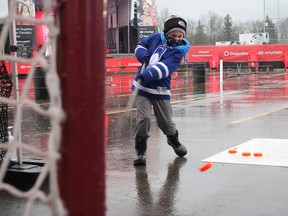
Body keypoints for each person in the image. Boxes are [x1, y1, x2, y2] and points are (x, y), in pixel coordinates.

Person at [132, 16, 190, 166]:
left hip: (160, 90)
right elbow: (140, 46)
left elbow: (166, 68)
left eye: (180, 36)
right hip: (142, 88)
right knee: (143, 119)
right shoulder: (154, 38)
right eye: (173, 35)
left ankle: (173, 140)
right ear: (166, 33)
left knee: (166, 123)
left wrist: (148, 74)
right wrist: (143, 56)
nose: (176, 39)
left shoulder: (179, 51)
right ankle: (140, 151)